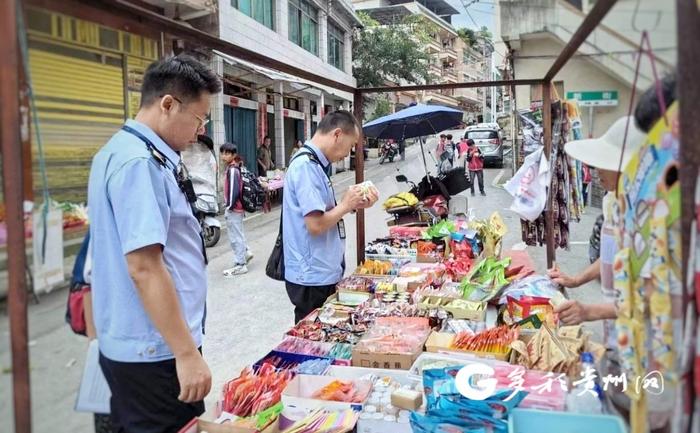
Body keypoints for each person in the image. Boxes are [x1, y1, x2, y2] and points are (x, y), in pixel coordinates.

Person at [87, 54, 221, 432]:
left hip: (139, 344)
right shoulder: (139, 163)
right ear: (167, 104)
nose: (199, 131)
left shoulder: (116, 151)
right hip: (155, 352)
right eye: (198, 119)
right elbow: (144, 267)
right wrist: (185, 354)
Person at [283, 111, 379, 323]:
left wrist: (352, 204)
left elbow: (324, 213)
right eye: (350, 145)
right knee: (312, 339)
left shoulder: (316, 165)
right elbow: (315, 225)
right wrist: (345, 205)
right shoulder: (306, 167)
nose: (349, 153)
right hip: (312, 278)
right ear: (337, 134)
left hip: (320, 273)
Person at [221, 142, 253, 277]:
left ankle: (240, 264)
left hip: (234, 209)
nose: (224, 156)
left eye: (227, 153)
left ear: (233, 155)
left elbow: (234, 191)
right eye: (222, 153)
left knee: (235, 236)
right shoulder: (232, 168)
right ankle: (245, 253)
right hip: (236, 208)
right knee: (237, 234)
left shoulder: (233, 170)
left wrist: (229, 206)